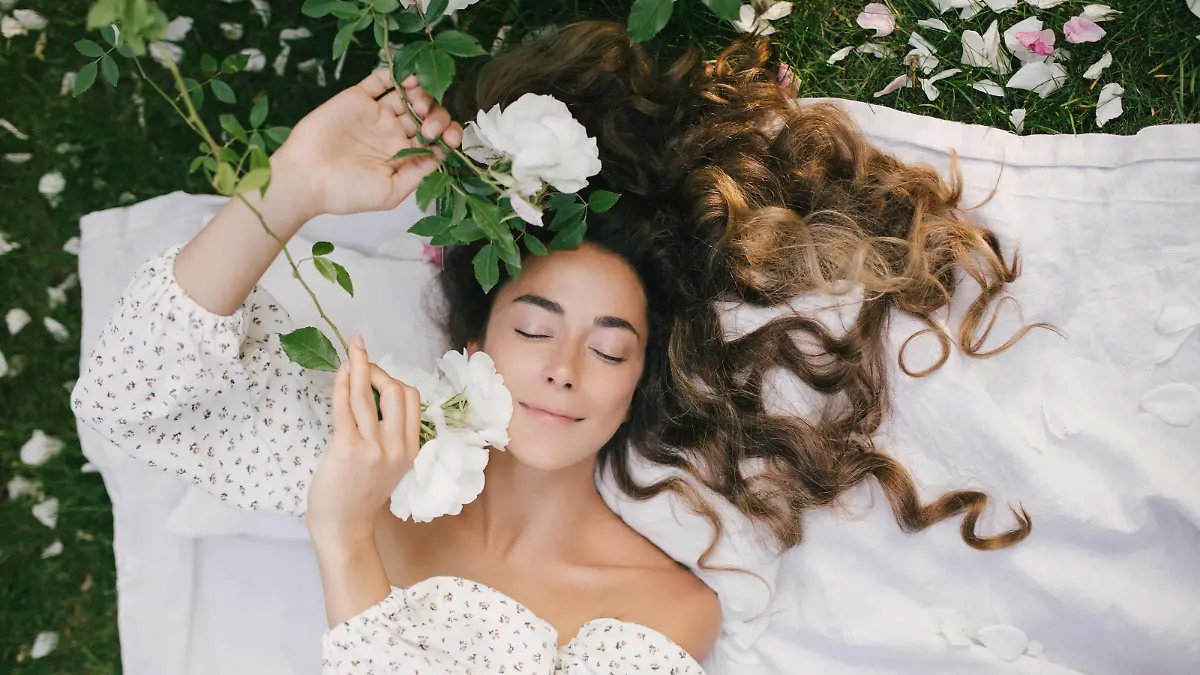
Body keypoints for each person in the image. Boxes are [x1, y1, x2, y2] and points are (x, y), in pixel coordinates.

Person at [72, 21, 1036, 674]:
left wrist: (341, 540)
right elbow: (133, 402)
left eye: (610, 349)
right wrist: (290, 190)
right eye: (534, 327)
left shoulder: (664, 610)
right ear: (480, 338)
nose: (564, 365)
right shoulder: (376, 455)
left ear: (638, 388)